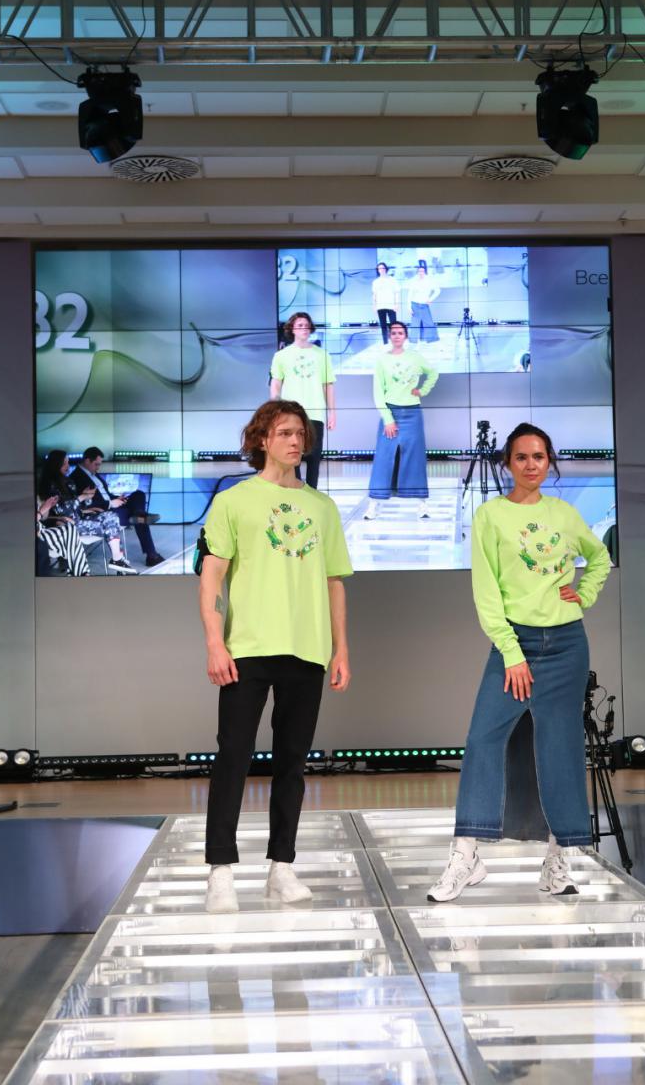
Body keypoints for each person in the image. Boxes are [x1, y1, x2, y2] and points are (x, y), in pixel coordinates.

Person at [428, 422, 611, 903]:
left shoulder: (564, 514)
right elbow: (486, 592)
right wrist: (512, 653)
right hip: (517, 643)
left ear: (550, 463)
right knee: (483, 739)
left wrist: (584, 594)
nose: (532, 465)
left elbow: (599, 557)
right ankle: (466, 855)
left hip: (567, 644)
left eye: (540, 456)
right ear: (508, 463)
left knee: (560, 747)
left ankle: (557, 861)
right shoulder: (490, 515)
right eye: (522, 457)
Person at [199, 399, 353, 912]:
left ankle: (281, 867)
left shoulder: (322, 507)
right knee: (233, 756)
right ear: (262, 439)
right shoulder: (234, 501)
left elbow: (334, 582)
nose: (295, 441)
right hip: (248, 648)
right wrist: (215, 642)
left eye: (301, 433)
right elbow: (211, 577)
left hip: (306, 648)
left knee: (293, 763)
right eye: (285, 432)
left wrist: (341, 648)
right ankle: (220, 870)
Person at [365, 321, 438, 520]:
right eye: (394, 333)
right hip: (391, 412)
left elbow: (433, 373)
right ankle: (374, 503)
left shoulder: (415, 357)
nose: (397, 336)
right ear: (390, 336)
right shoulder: (382, 360)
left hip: (412, 413)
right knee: (383, 458)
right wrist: (388, 419)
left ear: (405, 336)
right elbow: (378, 393)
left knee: (415, 457)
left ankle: (422, 504)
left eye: (400, 333)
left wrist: (422, 390)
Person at [38, 449, 136, 574]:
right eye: (64, 463)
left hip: (79, 517)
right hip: (67, 524)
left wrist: (86, 505)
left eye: (68, 462)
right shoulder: (50, 485)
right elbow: (62, 510)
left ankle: (117, 559)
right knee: (110, 527)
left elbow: (75, 505)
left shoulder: (68, 482)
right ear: (55, 465)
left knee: (111, 516)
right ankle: (118, 561)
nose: (68, 466)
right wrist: (82, 497)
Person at [269, 313, 336, 490]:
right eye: (299, 325)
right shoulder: (281, 355)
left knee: (314, 458)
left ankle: (312, 495)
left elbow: (328, 385)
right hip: (291, 414)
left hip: (315, 413)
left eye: (306, 325)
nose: (304, 328)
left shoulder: (322, 355)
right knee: (292, 457)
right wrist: (274, 409)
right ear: (292, 329)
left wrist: (332, 412)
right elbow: (276, 383)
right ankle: (296, 495)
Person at [69, 447, 164, 568]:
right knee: (138, 517)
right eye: (96, 464)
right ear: (87, 461)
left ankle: (138, 514)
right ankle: (151, 554)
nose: (98, 467)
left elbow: (105, 494)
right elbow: (85, 503)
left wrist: (117, 498)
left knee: (139, 494)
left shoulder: (93, 474)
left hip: (112, 504)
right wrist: (110, 503)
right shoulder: (76, 478)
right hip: (104, 513)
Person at [36, 494, 90, 576]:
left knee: (70, 528)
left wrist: (48, 507)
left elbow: (43, 518)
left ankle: (80, 573)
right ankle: (82, 573)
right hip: (36, 534)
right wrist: (41, 512)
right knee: (69, 535)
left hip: (42, 529)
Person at [408, 259, 440, 343]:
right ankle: (413, 340)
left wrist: (431, 299)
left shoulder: (429, 280)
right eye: (419, 271)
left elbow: (437, 290)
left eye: (422, 271)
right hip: (414, 304)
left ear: (425, 271)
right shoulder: (414, 280)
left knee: (428, 322)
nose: (421, 272)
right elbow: (410, 295)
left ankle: (431, 339)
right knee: (415, 323)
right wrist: (409, 307)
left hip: (424, 304)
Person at [372, 261, 399, 344]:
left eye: (383, 268)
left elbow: (396, 293)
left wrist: (397, 304)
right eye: (379, 268)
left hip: (391, 306)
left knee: (393, 325)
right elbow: (374, 294)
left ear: (386, 269)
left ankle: (395, 342)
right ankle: (385, 343)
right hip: (380, 306)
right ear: (378, 270)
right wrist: (374, 306)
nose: (381, 270)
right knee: (383, 325)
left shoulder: (392, 280)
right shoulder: (376, 282)